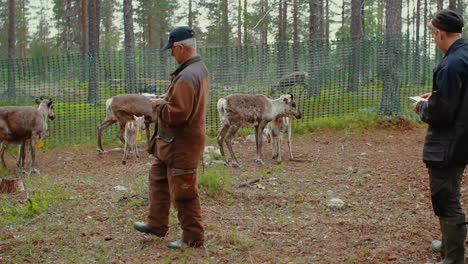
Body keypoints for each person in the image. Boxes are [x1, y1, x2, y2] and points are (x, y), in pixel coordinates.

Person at [133, 26, 209, 249]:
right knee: (158, 179)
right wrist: (165, 98)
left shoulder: (187, 75)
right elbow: (181, 102)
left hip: (182, 145)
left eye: (172, 50)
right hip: (170, 144)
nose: (171, 54)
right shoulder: (196, 69)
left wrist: (157, 106)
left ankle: (193, 237)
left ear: (181, 47)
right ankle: (156, 224)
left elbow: (178, 113)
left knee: (184, 192)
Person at [412, 9, 467, 264]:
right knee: (450, 190)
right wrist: (435, 97)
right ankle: (447, 243)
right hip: (463, 137)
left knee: (446, 196)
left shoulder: (450, 64)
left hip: (449, 142)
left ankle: (453, 257)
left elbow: (441, 115)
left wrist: (423, 106)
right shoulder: (464, 56)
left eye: (433, 34)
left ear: (440, 33)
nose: (434, 39)